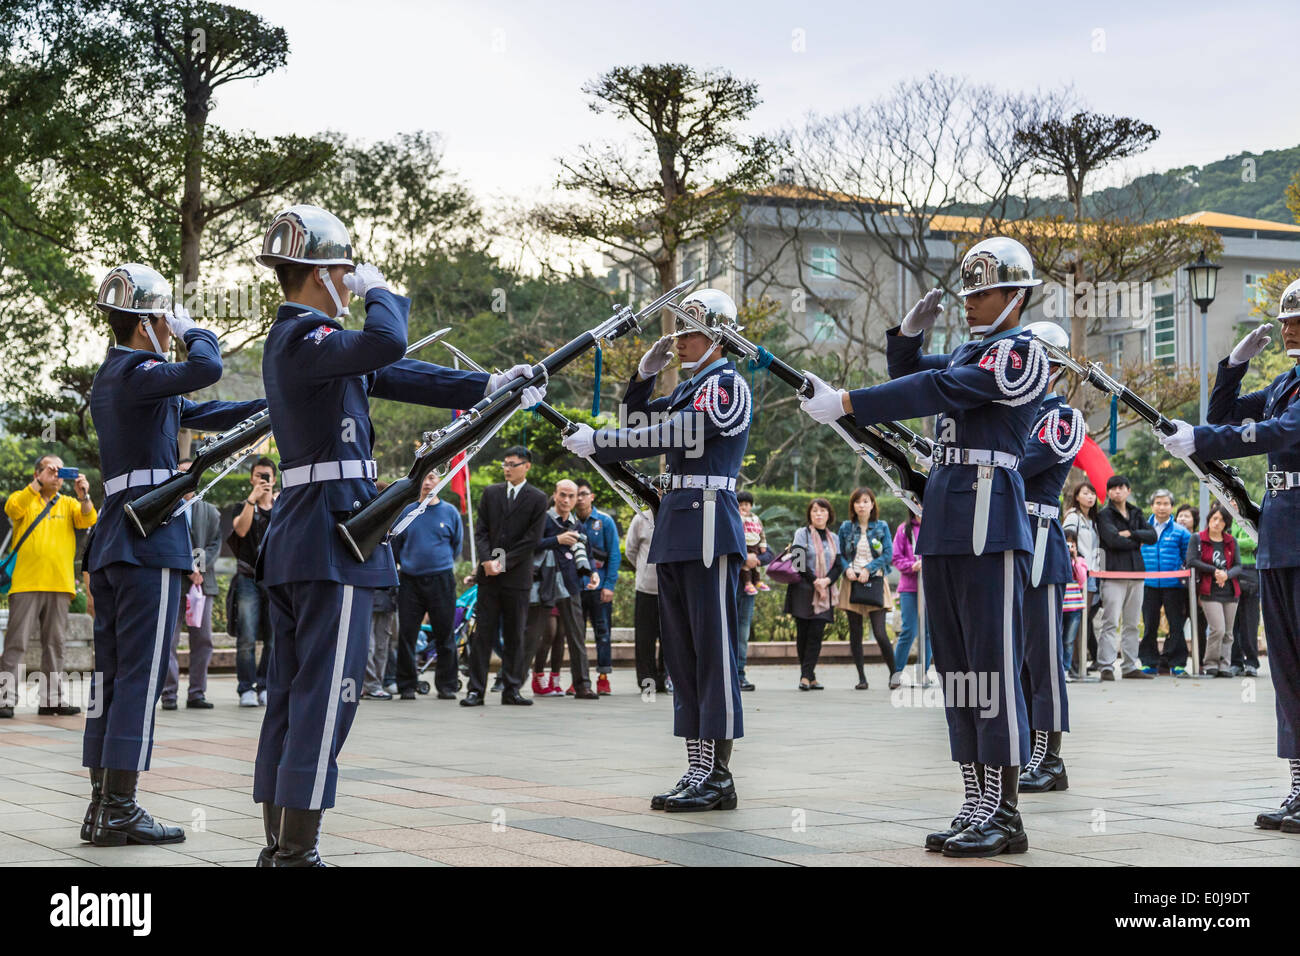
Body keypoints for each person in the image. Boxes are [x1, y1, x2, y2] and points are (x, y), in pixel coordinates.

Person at [252, 205, 522, 866]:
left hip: (306, 534)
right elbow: (387, 345)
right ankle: (294, 855)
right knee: (321, 703)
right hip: (332, 533)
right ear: (324, 275)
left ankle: (279, 848)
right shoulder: (304, 339)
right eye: (346, 271)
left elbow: (399, 374)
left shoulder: (318, 347)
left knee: (292, 699)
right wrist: (381, 294)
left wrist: (493, 385)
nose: (353, 281)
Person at [800, 237, 1050, 857]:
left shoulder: (1022, 354)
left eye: (985, 292)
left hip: (989, 524)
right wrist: (906, 339)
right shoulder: (971, 351)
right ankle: (976, 800)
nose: (972, 303)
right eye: (968, 294)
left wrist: (849, 404)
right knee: (958, 672)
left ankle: (1007, 812)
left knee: (992, 667)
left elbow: (935, 391)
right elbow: (916, 375)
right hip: (944, 519)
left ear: (1016, 297)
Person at [83, 262, 264, 848]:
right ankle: (120, 808)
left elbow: (199, 411)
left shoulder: (120, 378)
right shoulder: (139, 370)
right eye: (164, 319)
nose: (170, 329)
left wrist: (273, 407)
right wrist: (197, 331)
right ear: (146, 325)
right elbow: (206, 367)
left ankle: (102, 806)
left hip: (117, 538)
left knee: (113, 677)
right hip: (149, 536)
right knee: (139, 673)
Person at [564, 288, 751, 813]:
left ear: (717, 336)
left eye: (690, 332)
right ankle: (696, 768)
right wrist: (642, 377)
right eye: (679, 332)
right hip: (676, 527)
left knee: (712, 655)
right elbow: (639, 422)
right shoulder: (692, 386)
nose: (680, 342)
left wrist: (599, 442)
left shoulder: (726, 386)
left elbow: (680, 432)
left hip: (710, 526)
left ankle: (718, 774)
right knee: (684, 657)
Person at [1157, 280, 1300, 831]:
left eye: (1297, 319)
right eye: (1285, 319)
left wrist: (1204, 442)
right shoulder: (1286, 382)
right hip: (1280, 543)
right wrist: (1233, 368)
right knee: (1286, 671)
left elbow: (1277, 432)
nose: (1287, 327)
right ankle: (1298, 786)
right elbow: (1223, 416)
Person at [1016, 322, 1087, 794]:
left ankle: (1051, 757)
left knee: (1043, 659)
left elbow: (1019, 462)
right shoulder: (1010, 412)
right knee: (1017, 657)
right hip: (1010, 538)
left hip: (1040, 541)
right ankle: (1025, 749)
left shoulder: (1063, 418)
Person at [2, 455, 96, 718]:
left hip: (60, 584)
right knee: (15, 644)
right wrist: (36, 485)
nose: (56, 474)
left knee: (55, 645)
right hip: (25, 584)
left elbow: (88, 520)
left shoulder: (68, 503)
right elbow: (12, 510)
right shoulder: (24, 499)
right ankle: (4, 699)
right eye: (50, 470)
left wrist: (84, 495)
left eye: (60, 470)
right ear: (37, 473)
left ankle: (52, 700)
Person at [464, 446, 548, 707]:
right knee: (482, 635)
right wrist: (487, 561)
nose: (508, 469)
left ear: (527, 466)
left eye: (513, 464)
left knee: (515, 635)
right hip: (489, 577)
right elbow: (481, 531)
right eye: (505, 464)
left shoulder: (537, 498)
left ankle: (511, 688)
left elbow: (531, 540)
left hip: (516, 577)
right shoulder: (491, 493)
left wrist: (502, 562)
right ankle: (475, 690)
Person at [391, 471, 463, 700]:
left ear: (440, 481)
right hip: (410, 581)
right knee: (407, 635)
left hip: (441, 580)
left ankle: (447, 685)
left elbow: (456, 546)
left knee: (445, 634)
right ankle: (407, 685)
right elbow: (396, 546)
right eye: (424, 477)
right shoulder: (407, 512)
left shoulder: (450, 512)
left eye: (432, 477)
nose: (428, 482)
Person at [524, 479, 598, 700]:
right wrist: (557, 539)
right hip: (543, 584)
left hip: (570, 584)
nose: (566, 500)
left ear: (577, 499)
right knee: (533, 636)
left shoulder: (577, 524)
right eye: (562, 495)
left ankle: (583, 685)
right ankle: (511, 683)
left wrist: (592, 572)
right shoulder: (543, 519)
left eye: (571, 496)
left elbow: (588, 553)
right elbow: (529, 544)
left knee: (576, 636)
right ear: (555, 495)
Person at [160, 459, 220, 710]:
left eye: (190, 473)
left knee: (203, 639)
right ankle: (169, 694)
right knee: (169, 640)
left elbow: (214, 544)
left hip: (202, 585)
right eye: (181, 473)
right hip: (175, 580)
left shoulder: (210, 511)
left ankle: (197, 692)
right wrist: (188, 567)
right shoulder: (166, 510)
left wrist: (199, 569)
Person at [1095, 475, 1157, 681]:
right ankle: (1106, 666)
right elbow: (1112, 540)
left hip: (1137, 573)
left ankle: (1130, 666)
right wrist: (1136, 539)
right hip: (1113, 574)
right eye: (1112, 488)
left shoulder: (1136, 512)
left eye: (1121, 488)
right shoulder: (1104, 515)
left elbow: (1152, 536)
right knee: (1110, 622)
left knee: (1132, 623)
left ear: (1128, 490)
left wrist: (1129, 534)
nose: (1117, 492)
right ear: (1109, 492)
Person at [227, 456, 277, 707]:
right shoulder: (243, 506)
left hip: (274, 579)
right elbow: (241, 531)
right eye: (258, 475)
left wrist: (271, 500)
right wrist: (253, 499)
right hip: (247, 578)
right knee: (246, 636)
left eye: (266, 476)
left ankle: (265, 685)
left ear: (274, 479)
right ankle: (245, 687)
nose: (262, 480)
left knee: (274, 637)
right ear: (251, 478)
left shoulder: (281, 506)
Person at [836, 487, 894, 690]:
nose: (862, 505)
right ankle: (862, 678)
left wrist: (868, 569)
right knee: (855, 632)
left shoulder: (882, 526)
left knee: (880, 632)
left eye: (866, 501)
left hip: (875, 581)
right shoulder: (845, 527)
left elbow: (888, 555)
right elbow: (840, 554)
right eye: (858, 501)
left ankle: (894, 675)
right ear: (853, 505)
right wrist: (847, 569)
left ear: (872, 504)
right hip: (851, 582)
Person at [786, 498, 842, 691]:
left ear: (829, 514)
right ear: (810, 514)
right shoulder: (801, 534)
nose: (819, 514)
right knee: (803, 634)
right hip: (803, 590)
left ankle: (806, 675)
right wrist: (815, 581)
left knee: (816, 634)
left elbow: (839, 564)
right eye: (815, 511)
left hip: (824, 592)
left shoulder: (834, 538)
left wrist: (825, 581)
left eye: (823, 511)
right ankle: (809, 675)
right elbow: (798, 562)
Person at [1138, 489, 1193, 677]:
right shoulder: (1143, 528)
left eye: (1166, 503)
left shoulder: (1181, 531)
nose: (1162, 507)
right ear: (1152, 506)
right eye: (1158, 503)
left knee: (1176, 624)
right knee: (1149, 624)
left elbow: (1188, 556)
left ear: (1172, 506)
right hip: (1148, 584)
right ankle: (1148, 662)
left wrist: (1180, 570)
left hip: (1173, 585)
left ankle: (1178, 663)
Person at [573, 478, 621, 695]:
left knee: (603, 633)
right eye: (576, 494)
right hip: (575, 587)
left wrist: (609, 585)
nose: (580, 498)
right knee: (576, 634)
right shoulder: (569, 522)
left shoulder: (604, 521)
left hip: (599, 587)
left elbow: (615, 555)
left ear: (591, 496)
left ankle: (603, 677)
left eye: (583, 493)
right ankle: (578, 679)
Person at [1186, 504, 1241, 677]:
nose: (1217, 523)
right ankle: (1210, 663)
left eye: (1221, 520)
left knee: (1229, 632)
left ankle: (1225, 665)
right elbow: (1192, 561)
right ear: (1209, 519)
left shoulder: (1231, 541)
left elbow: (1238, 566)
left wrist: (1227, 574)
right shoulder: (1198, 538)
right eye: (1214, 519)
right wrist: (1214, 571)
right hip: (1209, 590)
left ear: (1227, 524)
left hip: (1230, 591)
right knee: (1218, 628)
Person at [625, 507, 667, 695]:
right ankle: (647, 681)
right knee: (645, 639)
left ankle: (667, 678)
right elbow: (630, 551)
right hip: (646, 590)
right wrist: (645, 570)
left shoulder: (675, 515)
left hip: (670, 591)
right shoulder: (640, 519)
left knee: (671, 638)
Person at [735, 491, 774, 691]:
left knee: (743, 633)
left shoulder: (755, 524)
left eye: (747, 504)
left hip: (748, 591)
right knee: (727, 632)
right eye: (741, 503)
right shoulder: (731, 522)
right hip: (730, 586)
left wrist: (756, 559)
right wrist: (744, 559)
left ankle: (740, 674)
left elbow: (770, 554)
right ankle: (728, 675)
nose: (744, 507)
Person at [1062, 481, 1102, 671]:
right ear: (1076, 496)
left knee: (1084, 619)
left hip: (1092, 573)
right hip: (1079, 574)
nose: (1090, 497)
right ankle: (1072, 664)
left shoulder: (1092, 521)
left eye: (1092, 494)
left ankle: (1077, 663)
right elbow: (1066, 540)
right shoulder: (1073, 517)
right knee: (1076, 618)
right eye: (1085, 493)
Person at [891, 511, 932, 684]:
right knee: (909, 630)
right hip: (909, 587)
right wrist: (912, 566)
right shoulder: (903, 530)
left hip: (930, 588)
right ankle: (896, 672)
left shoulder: (934, 527)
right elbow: (896, 557)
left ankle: (923, 671)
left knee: (929, 632)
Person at [1232, 527, 1261, 677]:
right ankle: (1235, 662)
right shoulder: (1226, 519)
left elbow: (1252, 542)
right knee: (1231, 622)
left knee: (1249, 621)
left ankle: (1251, 662)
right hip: (1229, 571)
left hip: (1250, 571)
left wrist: (1231, 542)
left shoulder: (1249, 519)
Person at [1061, 530, 1088, 675]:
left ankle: (1065, 669)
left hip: (1074, 607)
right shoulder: (1057, 559)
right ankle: (1058, 669)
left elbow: (1082, 580)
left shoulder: (1080, 561)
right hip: (1059, 607)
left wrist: (1075, 560)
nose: (1069, 547)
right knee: (1057, 639)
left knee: (1068, 641)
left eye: (1072, 544)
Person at [737, 491, 769, 594]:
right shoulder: (737, 518)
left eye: (746, 504)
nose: (743, 507)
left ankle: (757, 581)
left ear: (751, 506)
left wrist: (763, 545)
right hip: (744, 545)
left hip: (754, 544)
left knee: (755, 564)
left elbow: (761, 532)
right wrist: (741, 515)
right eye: (740, 505)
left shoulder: (756, 519)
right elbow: (737, 527)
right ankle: (748, 583)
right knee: (745, 565)